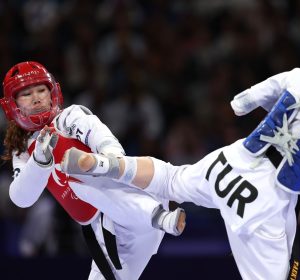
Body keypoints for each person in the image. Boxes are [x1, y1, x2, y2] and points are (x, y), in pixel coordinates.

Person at [61, 10, 300, 280]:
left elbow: (242, 101)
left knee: (171, 179)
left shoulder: (298, 76)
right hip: (262, 199)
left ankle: (106, 164)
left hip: (230, 162)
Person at [0, 61, 186, 280]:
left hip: (136, 200)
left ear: (53, 93)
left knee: (73, 165)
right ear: (13, 105)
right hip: (109, 235)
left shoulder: (69, 117)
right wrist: (40, 160)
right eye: (26, 94)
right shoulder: (23, 152)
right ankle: (156, 217)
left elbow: (102, 138)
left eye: (41, 90)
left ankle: (158, 216)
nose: (37, 97)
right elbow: (21, 198)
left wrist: (109, 162)